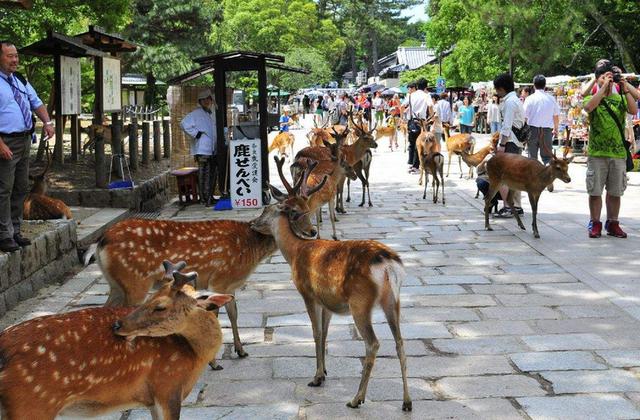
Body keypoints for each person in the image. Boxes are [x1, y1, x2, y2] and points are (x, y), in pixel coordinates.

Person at [0, 40, 55, 253]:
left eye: (16, 56)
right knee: (3, 189)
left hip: (24, 140)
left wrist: (47, 122)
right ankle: (3, 234)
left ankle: (14, 230)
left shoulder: (20, 79)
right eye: (9, 56)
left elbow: (36, 101)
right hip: (5, 141)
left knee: (20, 187)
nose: (15, 60)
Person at [583, 61, 638, 238]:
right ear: (597, 79)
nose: (607, 79)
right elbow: (588, 107)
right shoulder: (592, 96)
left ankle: (613, 223)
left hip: (617, 153)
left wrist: (624, 86)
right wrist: (603, 87)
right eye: (603, 76)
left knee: (615, 192)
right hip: (597, 153)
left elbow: (633, 108)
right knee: (595, 191)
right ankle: (595, 222)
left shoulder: (620, 97)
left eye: (609, 76)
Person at [494, 72, 525, 217]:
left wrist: (501, 144)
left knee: (503, 176)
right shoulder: (516, 100)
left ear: (501, 88)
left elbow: (506, 126)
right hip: (516, 142)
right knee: (515, 176)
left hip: (510, 142)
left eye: (497, 89)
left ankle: (508, 207)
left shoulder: (509, 102)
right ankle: (516, 206)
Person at [180, 88, 218, 207]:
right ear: (200, 101)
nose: (207, 101)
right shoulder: (196, 113)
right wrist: (197, 134)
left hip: (212, 149)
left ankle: (209, 196)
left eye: (209, 99)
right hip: (202, 149)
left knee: (212, 173)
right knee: (204, 174)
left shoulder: (210, 113)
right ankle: (204, 198)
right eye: (204, 99)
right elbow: (183, 124)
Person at [524, 75, 560, 168]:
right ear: (545, 85)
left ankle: (532, 178)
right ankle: (547, 179)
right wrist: (556, 129)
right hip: (547, 131)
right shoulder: (551, 99)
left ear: (534, 85)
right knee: (547, 158)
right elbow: (556, 116)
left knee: (532, 158)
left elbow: (524, 117)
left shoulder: (529, 99)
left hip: (532, 130)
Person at [406, 78, 432, 173]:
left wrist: (402, 118)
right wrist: (432, 118)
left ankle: (412, 164)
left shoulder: (411, 95)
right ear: (426, 86)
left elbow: (402, 106)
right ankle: (417, 166)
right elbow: (430, 106)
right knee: (421, 144)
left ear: (417, 86)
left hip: (412, 121)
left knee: (412, 143)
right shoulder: (427, 95)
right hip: (422, 122)